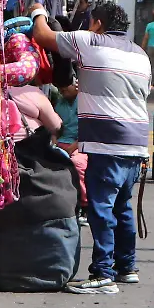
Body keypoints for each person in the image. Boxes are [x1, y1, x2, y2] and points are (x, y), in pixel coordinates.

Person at [31, 0, 151, 294]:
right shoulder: (140, 55)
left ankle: (102, 273)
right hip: (135, 143)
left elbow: (43, 36)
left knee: (100, 209)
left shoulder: (90, 41)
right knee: (122, 207)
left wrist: (37, 11)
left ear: (97, 24)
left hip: (107, 142)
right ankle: (127, 267)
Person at [51, 81, 88, 225]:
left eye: (66, 87)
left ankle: (84, 205)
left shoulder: (86, 102)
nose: (62, 90)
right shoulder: (59, 103)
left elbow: (89, 130)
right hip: (61, 141)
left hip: (80, 143)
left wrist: (72, 147)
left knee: (77, 164)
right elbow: (54, 128)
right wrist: (54, 142)